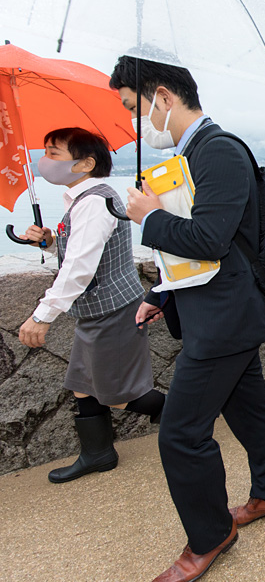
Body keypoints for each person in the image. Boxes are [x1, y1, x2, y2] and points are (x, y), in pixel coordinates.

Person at [110, 56, 265, 582]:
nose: (137, 121)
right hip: (218, 312)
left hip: (223, 321)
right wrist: (160, 295)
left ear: (164, 98)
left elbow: (209, 241)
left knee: (180, 434)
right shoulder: (193, 154)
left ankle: (211, 536)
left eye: (135, 107)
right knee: (250, 411)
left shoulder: (218, 151)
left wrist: (149, 217)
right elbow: (197, 255)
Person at [17, 128, 165, 484]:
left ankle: (188, 413)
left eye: (53, 153)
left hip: (113, 310)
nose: (45, 161)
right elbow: (84, 250)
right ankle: (98, 454)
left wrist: (43, 315)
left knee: (117, 394)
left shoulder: (94, 203)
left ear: (85, 163)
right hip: (97, 310)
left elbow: (80, 268)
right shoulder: (84, 199)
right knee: (83, 382)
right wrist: (50, 241)